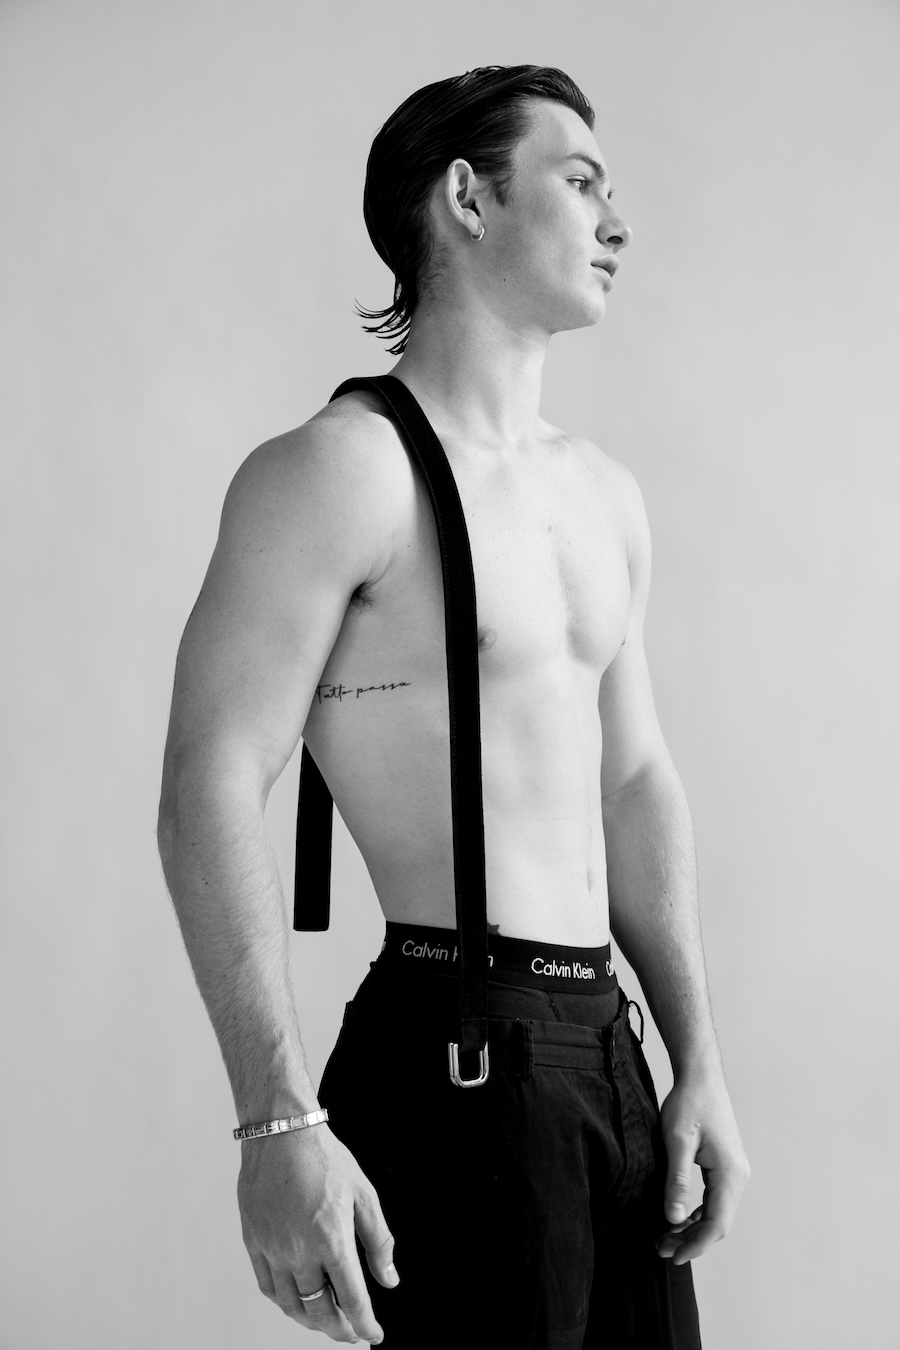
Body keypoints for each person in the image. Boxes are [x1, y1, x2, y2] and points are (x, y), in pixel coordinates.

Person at [157, 64, 749, 1349]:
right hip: (456, 1055)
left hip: (610, 1054)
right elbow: (211, 779)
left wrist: (695, 1058)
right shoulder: (337, 472)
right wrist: (276, 1121)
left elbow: (633, 779)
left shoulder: (602, 493)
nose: (617, 222)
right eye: (580, 182)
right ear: (468, 198)